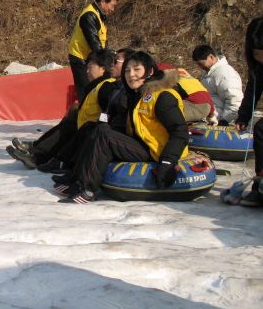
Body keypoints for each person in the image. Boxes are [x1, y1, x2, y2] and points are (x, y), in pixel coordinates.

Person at [53, 51, 189, 204]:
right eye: (127, 70)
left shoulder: (162, 96)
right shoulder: (137, 94)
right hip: (143, 143)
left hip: (158, 150)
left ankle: (87, 190)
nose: (131, 75)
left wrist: (167, 162)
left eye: (137, 69)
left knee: (106, 137)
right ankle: (76, 176)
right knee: (100, 129)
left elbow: (180, 132)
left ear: (150, 71)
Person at [7, 48, 114, 169]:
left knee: (67, 131)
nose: (87, 71)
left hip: (92, 133)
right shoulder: (96, 86)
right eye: (87, 68)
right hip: (85, 129)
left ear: (103, 69)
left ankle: (36, 155)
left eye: (91, 67)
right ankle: (35, 152)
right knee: (67, 126)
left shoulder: (106, 87)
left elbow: (108, 113)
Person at [68, 0, 119, 102]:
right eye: (112, 5)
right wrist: (106, 57)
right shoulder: (89, 15)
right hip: (81, 58)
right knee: (86, 91)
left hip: (92, 58)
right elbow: (94, 43)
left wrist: (109, 51)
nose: (113, 9)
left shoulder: (99, 15)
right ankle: (84, 115)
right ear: (103, 2)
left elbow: (101, 40)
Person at [233, 17, 263, 206]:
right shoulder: (259, 68)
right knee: (260, 131)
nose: (260, 58)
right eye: (257, 54)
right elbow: (253, 90)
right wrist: (244, 115)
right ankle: (259, 188)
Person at [192, 44, 243, 125]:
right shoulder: (208, 73)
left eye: (201, 64)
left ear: (211, 57)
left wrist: (224, 120)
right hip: (207, 117)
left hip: (217, 120)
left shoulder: (225, 74)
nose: (200, 67)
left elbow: (235, 100)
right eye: (198, 64)